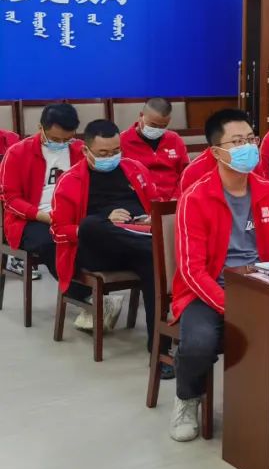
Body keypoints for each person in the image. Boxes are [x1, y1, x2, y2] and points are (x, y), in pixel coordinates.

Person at [170, 108, 269, 442]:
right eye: (237, 142)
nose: (248, 148)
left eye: (251, 139)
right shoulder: (196, 198)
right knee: (199, 344)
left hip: (262, 285)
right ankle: (187, 398)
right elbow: (192, 270)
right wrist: (232, 305)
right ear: (216, 152)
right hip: (208, 291)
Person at [51, 119, 158, 338]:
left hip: (137, 245)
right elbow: (58, 230)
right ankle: (153, 246)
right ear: (85, 151)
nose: (111, 157)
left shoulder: (134, 169)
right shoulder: (70, 180)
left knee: (153, 264)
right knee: (90, 225)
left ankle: (157, 344)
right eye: (103, 153)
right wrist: (105, 221)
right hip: (98, 251)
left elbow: (157, 203)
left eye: (116, 151)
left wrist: (150, 218)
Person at [0, 104, 84, 284]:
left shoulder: (80, 150)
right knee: (53, 241)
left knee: (102, 236)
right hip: (30, 220)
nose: (61, 144)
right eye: (55, 139)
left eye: (67, 139)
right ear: (40, 128)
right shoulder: (17, 153)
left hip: (74, 216)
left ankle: (94, 290)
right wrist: (43, 216)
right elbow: (10, 199)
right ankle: (83, 295)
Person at [119, 98, 189, 200]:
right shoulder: (122, 141)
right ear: (141, 116)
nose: (157, 129)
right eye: (153, 125)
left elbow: (186, 173)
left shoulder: (175, 139)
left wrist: (177, 197)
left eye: (163, 126)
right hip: (139, 201)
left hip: (173, 201)